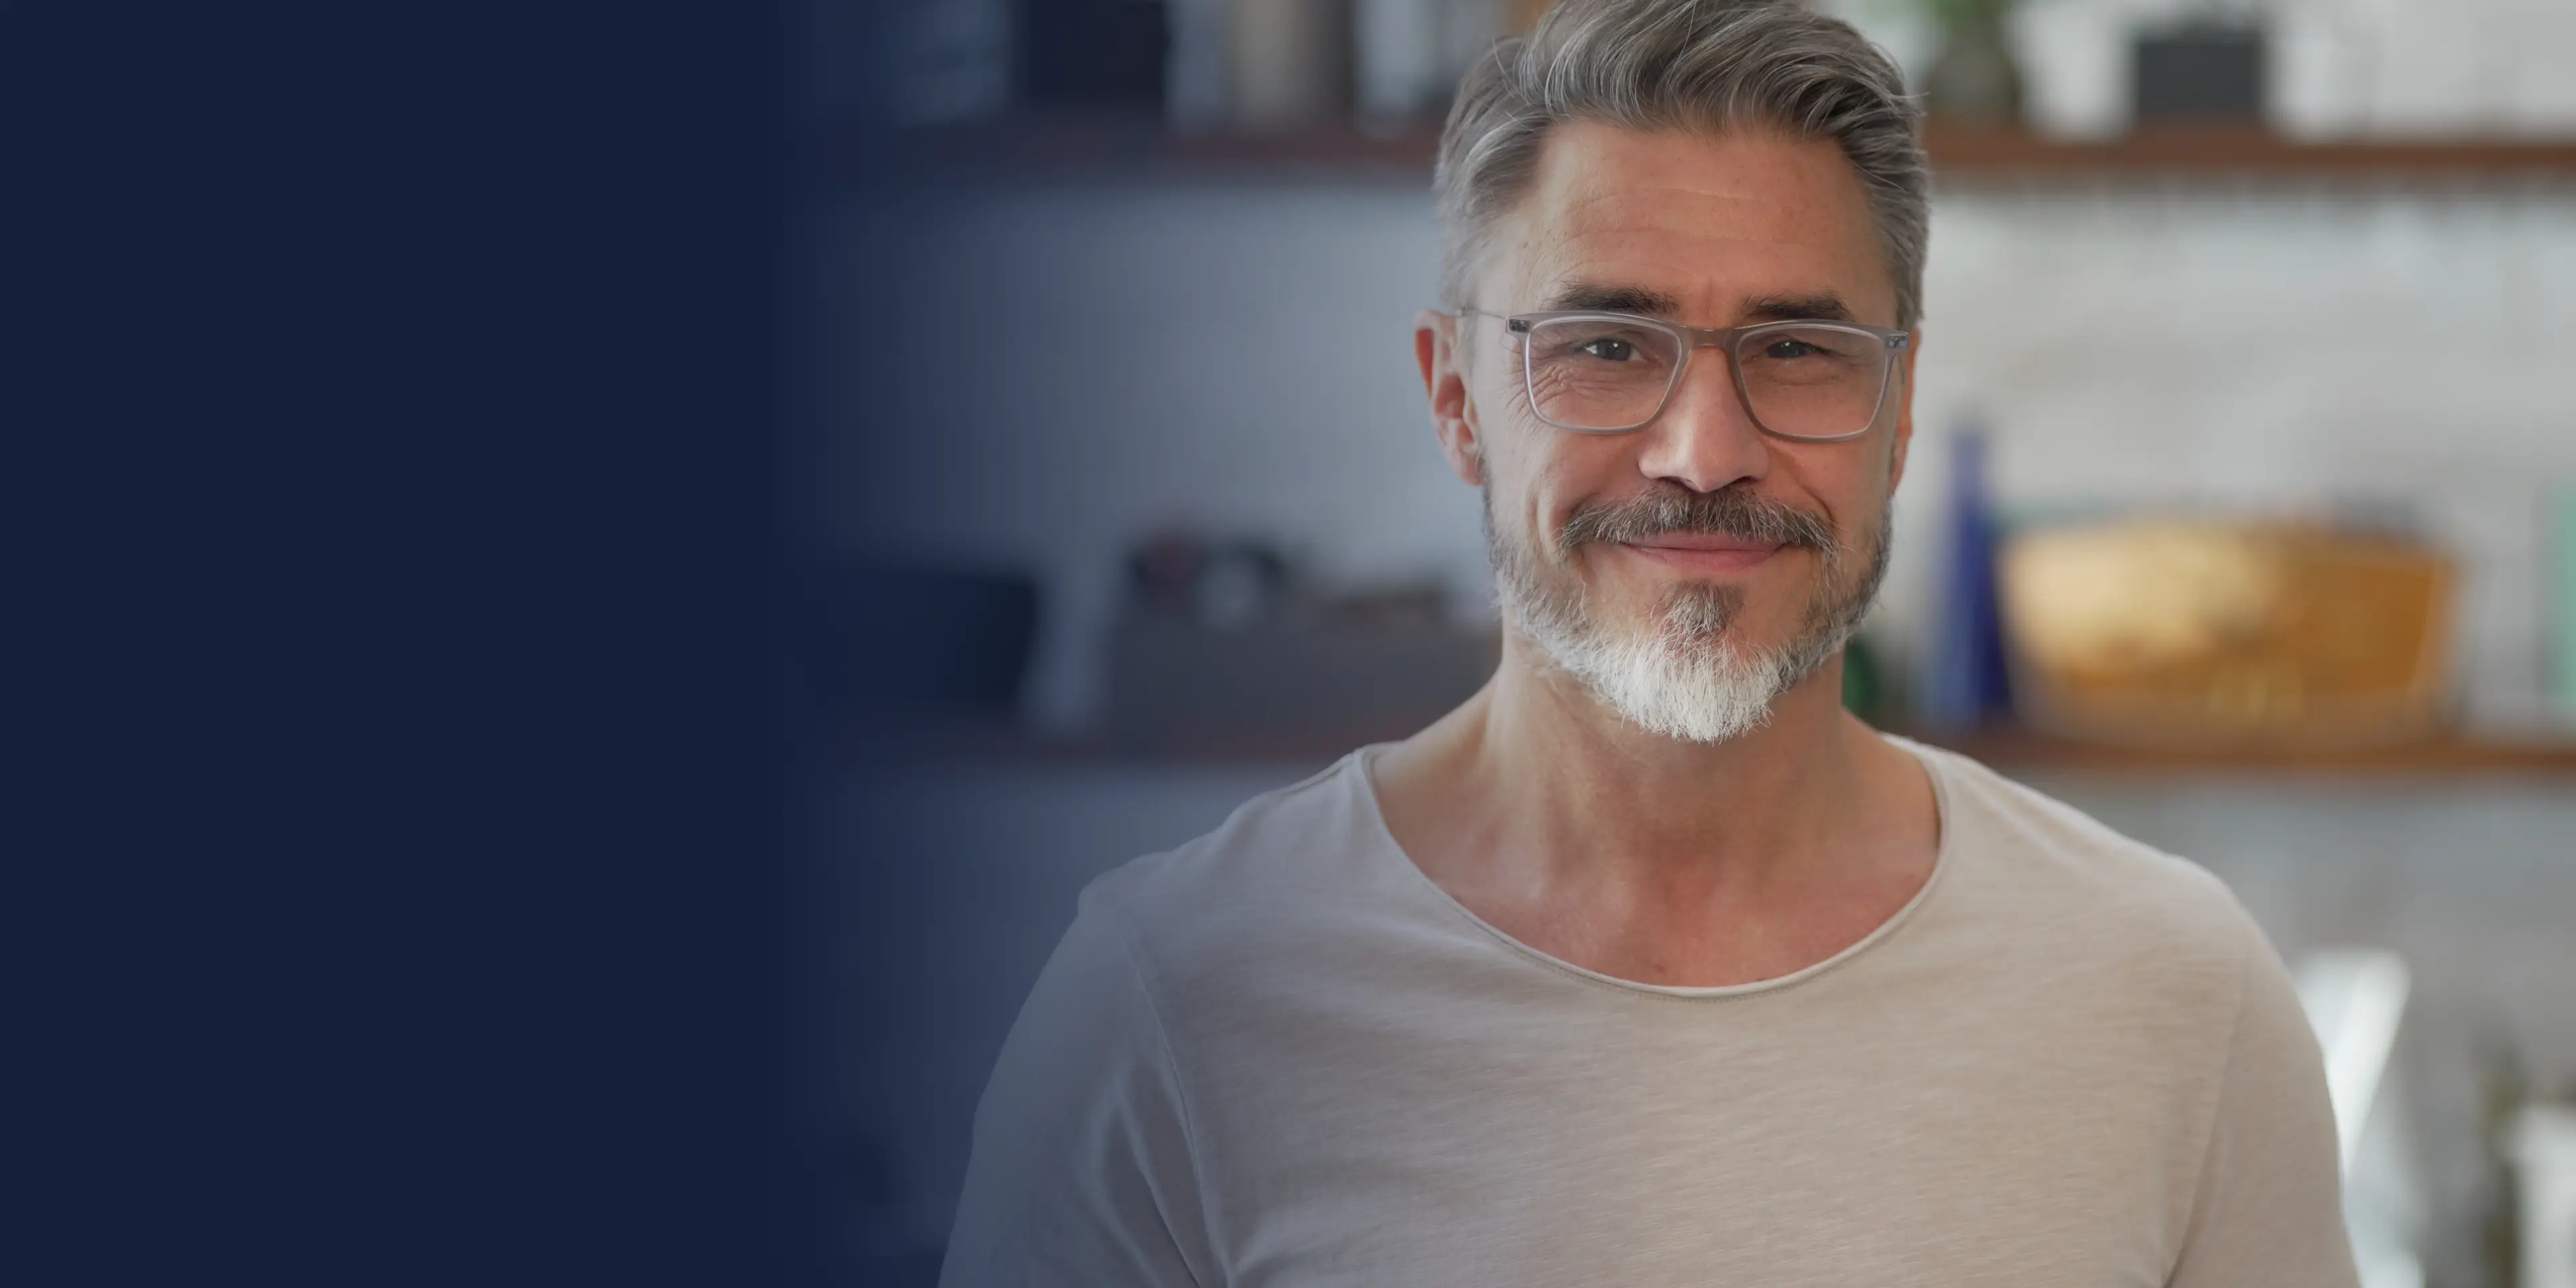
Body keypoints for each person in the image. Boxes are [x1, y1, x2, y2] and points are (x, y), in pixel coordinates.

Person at [940, 1, 2357, 1282]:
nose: (1703, 452)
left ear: (1904, 405)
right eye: (1608, 345)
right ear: (1454, 398)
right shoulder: (1174, 1004)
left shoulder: (2175, 993)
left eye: (1798, 348)